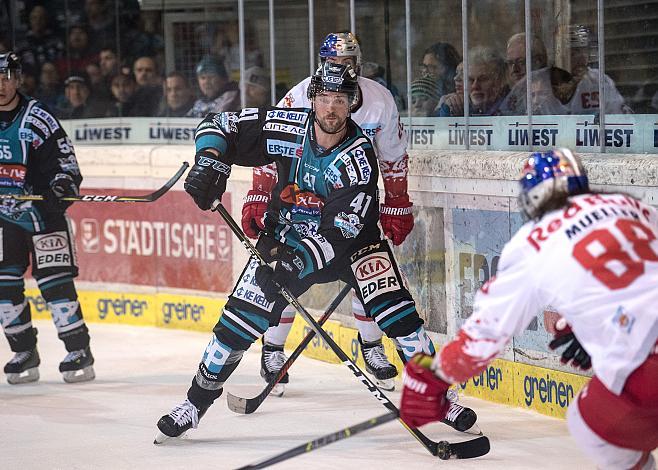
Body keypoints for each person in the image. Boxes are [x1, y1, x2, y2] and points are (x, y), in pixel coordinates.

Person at [154, 62, 477, 444]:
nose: (330, 108)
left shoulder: (358, 157)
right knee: (237, 322)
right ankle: (194, 404)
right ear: (312, 98)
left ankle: (438, 398)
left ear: (353, 102)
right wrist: (210, 161)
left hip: (352, 245)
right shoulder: (287, 127)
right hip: (287, 236)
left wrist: (294, 263)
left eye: (340, 99)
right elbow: (218, 125)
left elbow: (339, 232)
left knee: (397, 312)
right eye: (323, 98)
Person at [400, 148, 658, 469]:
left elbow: (485, 334)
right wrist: (602, 325)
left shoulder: (534, 241)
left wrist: (435, 376)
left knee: (589, 423)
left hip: (649, 362)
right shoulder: (632, 205)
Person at [242, 31, 414, 395]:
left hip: (353, 206)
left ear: (360, 65)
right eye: (335, 64)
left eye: (349, 64)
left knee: (367, 274)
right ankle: (272, 349)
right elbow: (270, 143)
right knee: (285, 272)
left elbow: (393, 156)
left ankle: (371, 346)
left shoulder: (380, 99)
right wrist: (259, 192)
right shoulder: (301, 95)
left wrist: (397, 201)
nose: (342, 69)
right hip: (298, 204)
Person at [0, 52, 95, 385]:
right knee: (4, 286)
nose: (0, 84)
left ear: (18, 78)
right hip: (3, 221)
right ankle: (24, 351)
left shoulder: (38, 117)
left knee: (55, 283)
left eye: (6, 76)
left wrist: (62, 185)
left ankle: (78, 350)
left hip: (43, 214)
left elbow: (67, 164)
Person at [499, 33, 574, 116]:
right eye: (510, 63)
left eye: (520, 62)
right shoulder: (511, 97)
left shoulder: (556, 84)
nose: (514, 70)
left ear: (538, 61)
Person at [439, 46, 508, 116]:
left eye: (482, 79)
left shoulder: (510, 108)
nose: (475, 86)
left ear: (499, 81)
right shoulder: (462, 106)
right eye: (470, 80)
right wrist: (447, 108)